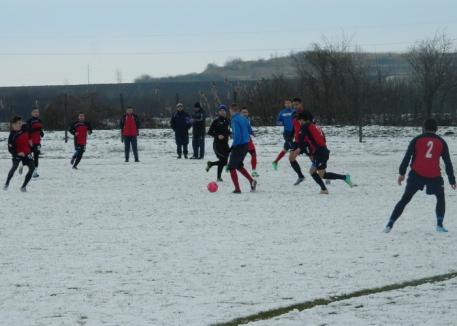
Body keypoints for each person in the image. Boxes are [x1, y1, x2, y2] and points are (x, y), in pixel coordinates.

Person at [384, 119, 456, 233]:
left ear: (424, 128)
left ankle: (389, 224)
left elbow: (407, 157)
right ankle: (439, 225)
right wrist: (452, 179)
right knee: (440, 198)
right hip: (434, 175)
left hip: (416, 174)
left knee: (405, 199)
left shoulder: (416, 140)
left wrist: (402, 173)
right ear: (436, 129)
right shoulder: (441, 142)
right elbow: (447, 162)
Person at [297, 111, 353, 194]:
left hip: (320, 152)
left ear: (302, 120)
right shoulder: (315, 126)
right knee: (319, 173)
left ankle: (327, 188)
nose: (299, 123)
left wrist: (300, 148)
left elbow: (301, 139)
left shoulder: (305, 125)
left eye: (299, 121)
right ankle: (338, 181)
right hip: (321, 151)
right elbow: (321, 139)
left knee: (319, 174)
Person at [227, 103, 257, 193]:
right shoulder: (244, 118)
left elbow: (237, 134)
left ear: (231, 110)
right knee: (238, 165)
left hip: (239, 145)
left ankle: (237, 189)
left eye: (229, 111)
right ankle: (252, 181)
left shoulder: (234, 120)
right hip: (246, 144)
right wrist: (252, 133)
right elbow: (249, 128)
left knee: (231, 167)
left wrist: (233, 146)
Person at [4, 116, 34, 192]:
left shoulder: (25, 127)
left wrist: (30, 139)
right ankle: (6, 183)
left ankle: (23, 187)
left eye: (21, 122)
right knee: (14, 167)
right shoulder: (12, 135)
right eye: (19, 123)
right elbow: (10, 149)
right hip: (17, 154)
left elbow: (31, 129)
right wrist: (18, 153)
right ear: (13, 125)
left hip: (27, 153)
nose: (21, 124)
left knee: (32, 168)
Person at [206, 105, 231, 181]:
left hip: (225, 144)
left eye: (224, 111)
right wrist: (217, 136)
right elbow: (209, 132)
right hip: (217, 144)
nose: (223, 112)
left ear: (226, 112)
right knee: (222, 159)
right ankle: (218, 177)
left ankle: (211, 164)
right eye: (221, 111)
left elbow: (228, 132)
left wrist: (230, 134)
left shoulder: (228, 121)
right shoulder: (216, 121)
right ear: (219, 112)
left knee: (224, 161)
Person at [272, 99, 295, 170]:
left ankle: (275, 162)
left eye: (289, 103)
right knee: (292, 147)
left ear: (291, 104)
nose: (288, 105)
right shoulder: (282, 112)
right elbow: (277, 122)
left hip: (294, 132)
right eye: (286, 103)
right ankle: (294, 163)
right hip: (286, 133)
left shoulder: (294, 111)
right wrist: (281, 123)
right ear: (284, 105)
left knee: (285, 149)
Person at [289, 98, 307, 185]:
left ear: (301, 104)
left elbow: (310, 128)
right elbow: (294, 127)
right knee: (291, 158)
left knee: (314, 159)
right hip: (297, 141)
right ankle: (301, 176)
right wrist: (290, 137)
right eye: (294, 105)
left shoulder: (306, 114)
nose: (295, 106)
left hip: (306, 140)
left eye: (297, 104)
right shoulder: (293, 114)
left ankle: (324, 175)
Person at [240, 107, 258, 177]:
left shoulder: (248, 120)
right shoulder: (238, 121)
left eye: (246, 112)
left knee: (254, 155)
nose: (244, 114)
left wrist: (252, 132)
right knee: (239, 157)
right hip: (241, 142)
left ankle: (253, 171)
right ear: (240, 113)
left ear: (248, 113)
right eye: (243, 112)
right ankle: (231, 166)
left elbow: (248, 128)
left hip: (248, 140)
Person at [26, 108, 44, 178]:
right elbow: (27, 130)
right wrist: (35, 130)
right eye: (35, 112)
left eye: (37, 112)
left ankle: (35, 172)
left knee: (36, 156)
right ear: (32, 113)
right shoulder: (29, 121)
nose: (36, 113)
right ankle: (24, 165)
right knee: (29, 157)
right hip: (30, 142)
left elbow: (40, 129)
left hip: (37, 142)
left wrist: (41, 132)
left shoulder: (40, 121)